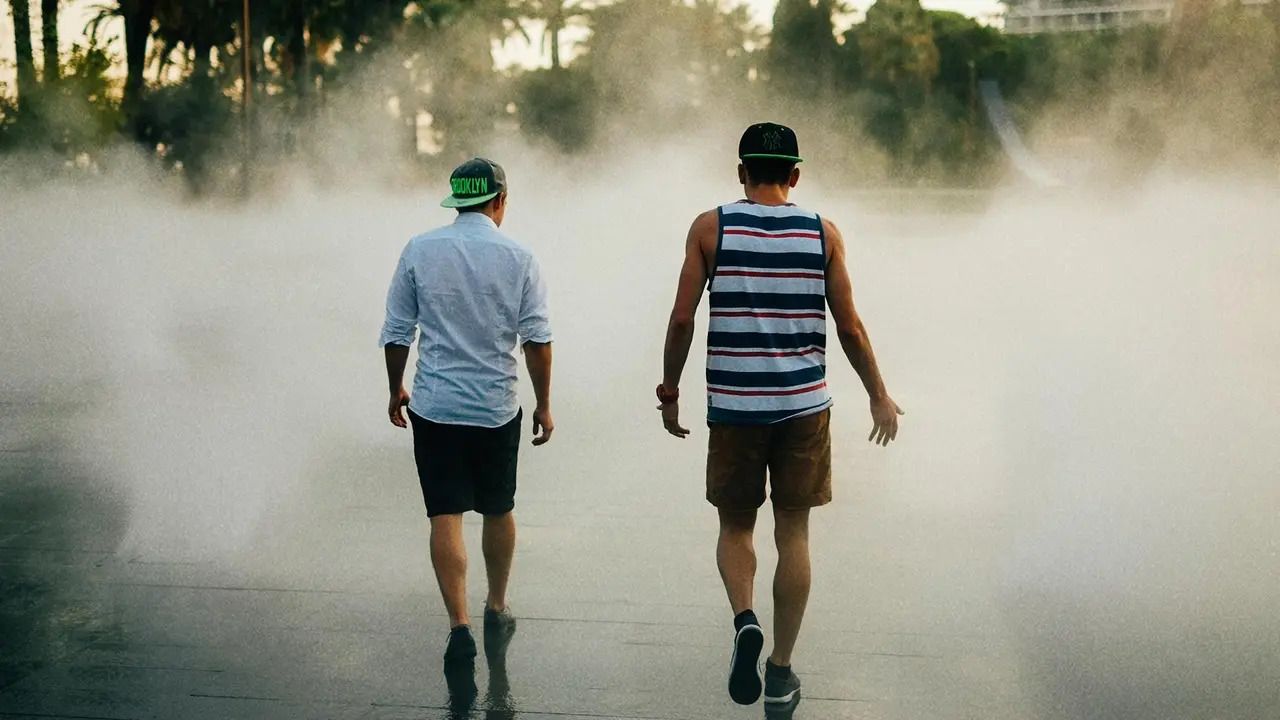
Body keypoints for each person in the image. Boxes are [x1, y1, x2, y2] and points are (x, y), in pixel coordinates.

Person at [656, 123, 903, 706]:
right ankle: (782, 670)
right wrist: (878, 393)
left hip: (736, 407)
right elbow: (849, 327)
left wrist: (670, 390)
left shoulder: (710, 227)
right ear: (795, 175)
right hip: (802, 409)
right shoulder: (823, 233)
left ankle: (745, 618)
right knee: (794, 532)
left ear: (741, 172)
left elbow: (682, 320)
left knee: (736, 526)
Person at [380, 157, 554, 667]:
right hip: (496, 407)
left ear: (456, 201)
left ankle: (458, 625)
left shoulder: (419, 249)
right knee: (499, 507)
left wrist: (397, 389)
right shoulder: (520, 256)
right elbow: (537, 341)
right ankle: (496, 605)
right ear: (499, 201)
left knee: (445, 513)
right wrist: (544, 404)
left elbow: (396, 332)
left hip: (435, 406)